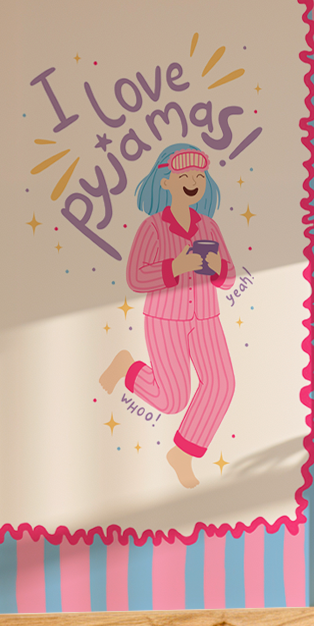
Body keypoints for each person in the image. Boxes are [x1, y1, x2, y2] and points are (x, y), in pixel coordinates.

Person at [99, 143, 238, 489]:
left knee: (222, 384)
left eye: (199, 176)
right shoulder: (152, 229)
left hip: (205, 317)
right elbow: (136, 277)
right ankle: (128, 367)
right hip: (166, 320)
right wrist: (178, 265)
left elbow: (231, 277)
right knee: (173, 399)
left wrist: (216, 266)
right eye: (184, 176)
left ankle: (183, 453)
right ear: (165, 182)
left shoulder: (208, 227)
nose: (193, 181)